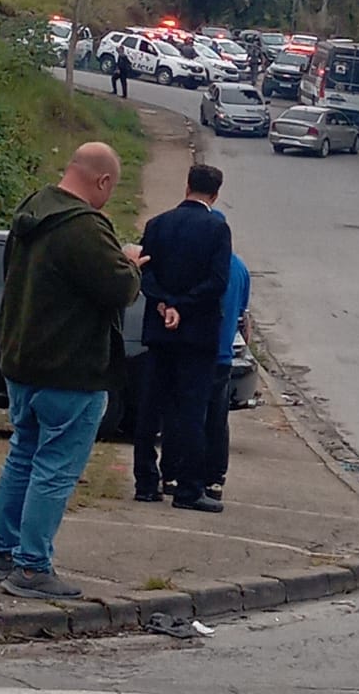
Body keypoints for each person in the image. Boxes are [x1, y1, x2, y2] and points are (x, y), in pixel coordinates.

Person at [0, 142, 145, 600]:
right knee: (54, 467)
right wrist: (129, 263)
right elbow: (118, 289)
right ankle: (33, 568)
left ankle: (1, 551)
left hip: (21, 359)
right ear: (103, 181)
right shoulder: (85, 227)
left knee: (24, 453)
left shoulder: (32, 208)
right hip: (70, 368)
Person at [133, 164, 231, 513]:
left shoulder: (157, 224)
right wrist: (183, 308)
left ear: (186, 185)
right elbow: (218, 281)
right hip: (196, 334)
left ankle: (145, 483)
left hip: (159, 331)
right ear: (215, 194)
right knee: (191, 410)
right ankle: (188, 488)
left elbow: (145, 271)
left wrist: (164, 305)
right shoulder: (217, 229)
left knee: (151, 406)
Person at [160, 209, 251, 504]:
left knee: (183, 415)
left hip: (198, 348)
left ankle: (174, 474)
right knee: (217, 420)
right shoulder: (240, 270)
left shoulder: (206, 269)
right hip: (224, 355)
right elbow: (243, 317)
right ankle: (215, 479)